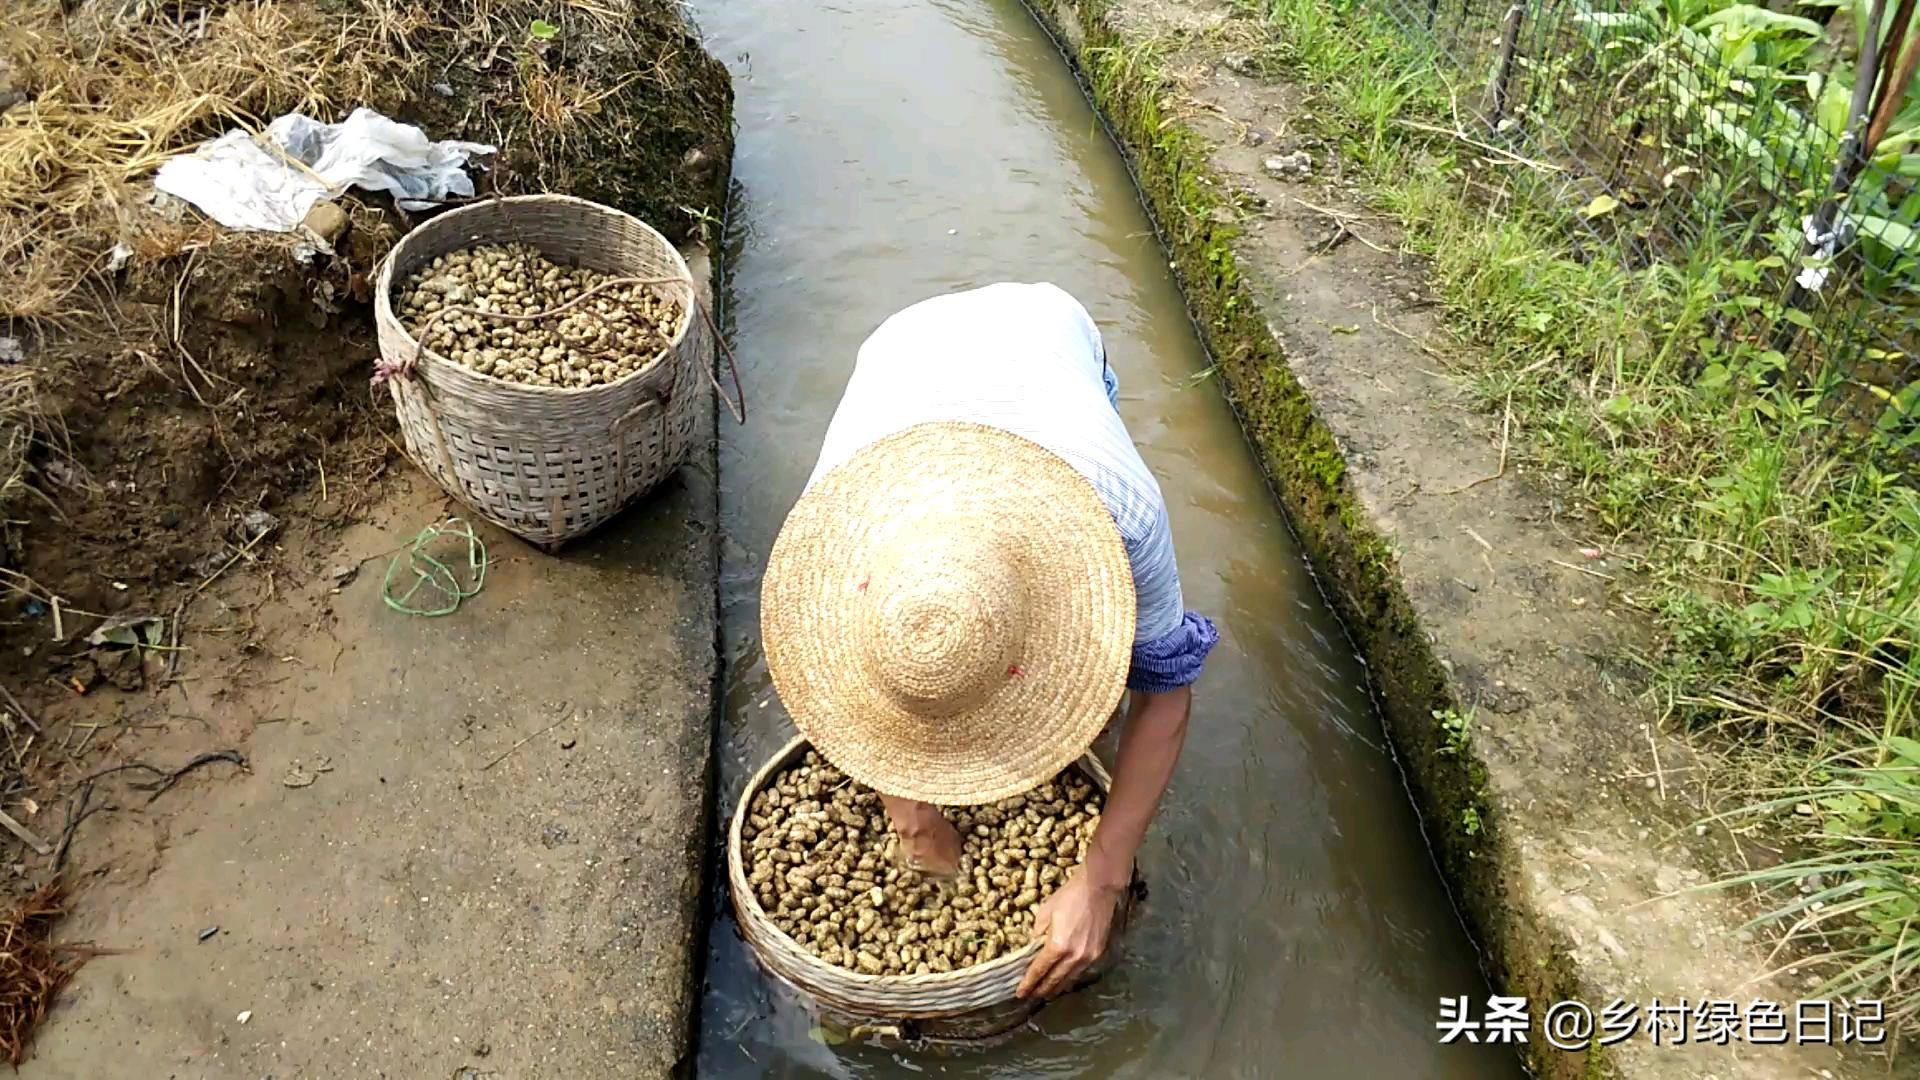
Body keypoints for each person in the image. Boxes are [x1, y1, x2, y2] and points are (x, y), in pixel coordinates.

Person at [759, 282, 1218, 1002]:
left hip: (1049, 328)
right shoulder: (827, 537)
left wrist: (1102, 876)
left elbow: (1164, 691)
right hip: (901, 348)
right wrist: (912, 817)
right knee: (928, 662)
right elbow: (849, 684)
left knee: (1114, 672)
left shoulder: (1120, 512)